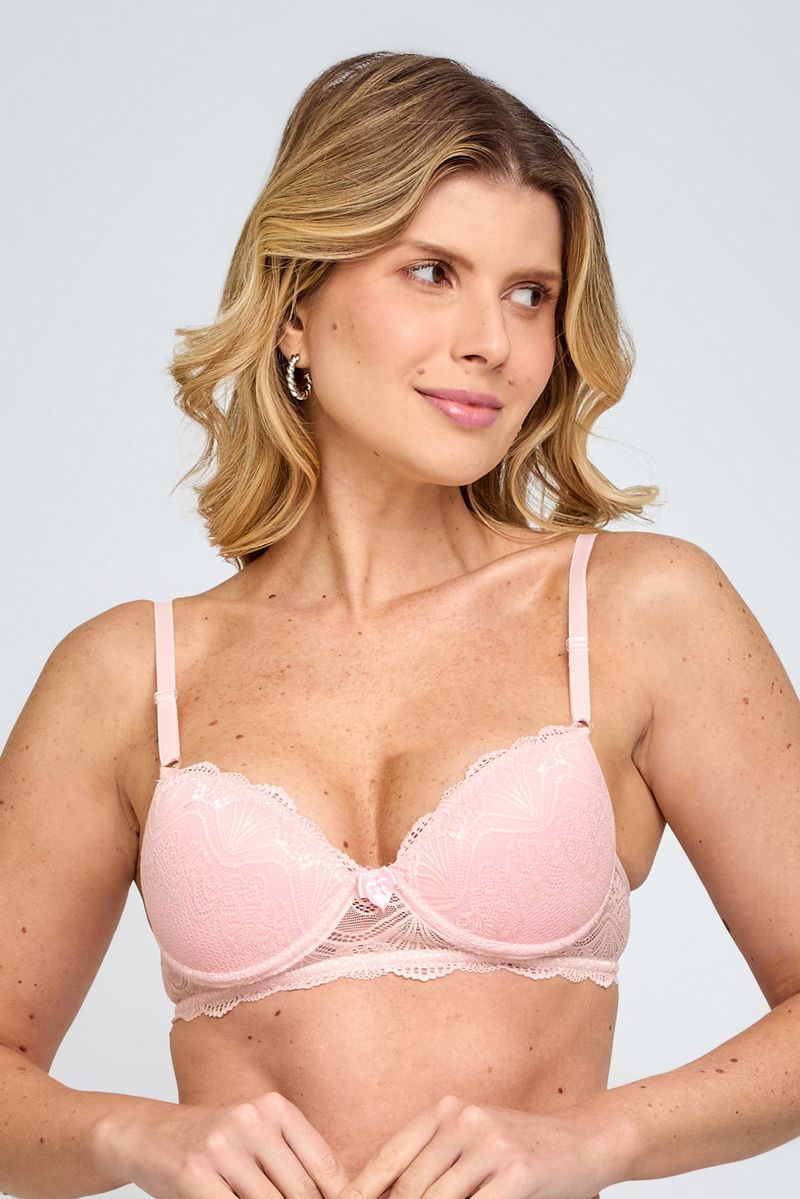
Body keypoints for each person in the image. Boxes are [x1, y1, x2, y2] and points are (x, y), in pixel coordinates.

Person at [1, 48, 798, 1199]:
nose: (493, 340)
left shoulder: (634, 612)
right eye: (432, 272)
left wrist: (606, 1135)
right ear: (295, 308)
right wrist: (135, 1134)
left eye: (529, 293)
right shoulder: (130, 672)